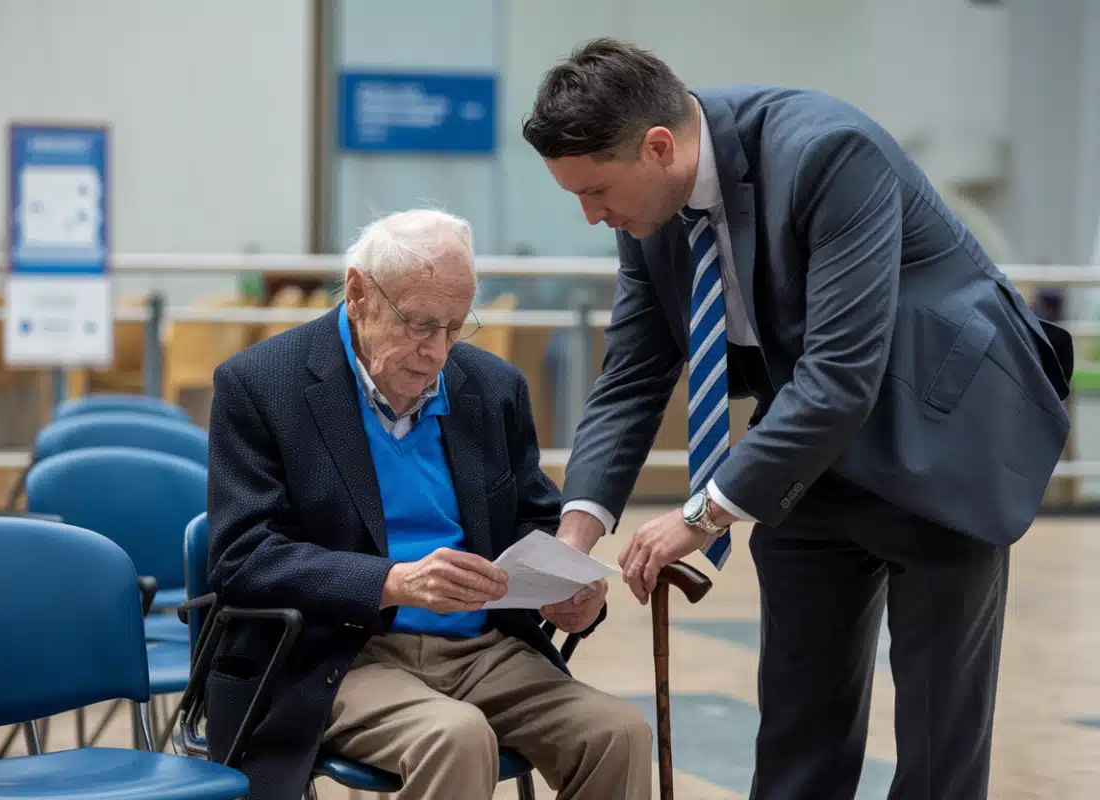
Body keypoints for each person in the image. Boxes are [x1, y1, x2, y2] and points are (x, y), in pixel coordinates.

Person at [522, 38, 1074, 800]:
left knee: (937, 740)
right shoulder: (644, 212)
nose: (591, 217)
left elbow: (841, 374)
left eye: (595, 192)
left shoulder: (828, 154)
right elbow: (632, 376)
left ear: (656, 147)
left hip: (942, 434)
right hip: (807, 452)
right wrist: (573, 544)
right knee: (796, 719)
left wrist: (702, 513)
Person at [204, 208, 652, 800]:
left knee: (618, 732)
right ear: (360, 293)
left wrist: (571, 593)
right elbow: (243, 558)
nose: (438, 351)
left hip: (482, 647)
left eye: (454, 327)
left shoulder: (491, 386)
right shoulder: (261, 385)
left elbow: (534, 519)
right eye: (419, 324)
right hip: (336, 651)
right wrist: (392, 580)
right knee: (456, 736)